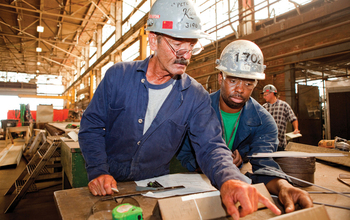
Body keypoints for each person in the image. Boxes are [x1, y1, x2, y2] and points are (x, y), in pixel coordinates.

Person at [79, 0, 285, 219]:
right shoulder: (117, 77)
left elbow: (211, 146)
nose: (185, 55)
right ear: (152, 40)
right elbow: (91, 126)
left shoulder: (195, 96)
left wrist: (229, 179)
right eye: (178, 45)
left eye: (191, 46)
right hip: (106, 183)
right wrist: (98, 170)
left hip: (153, 188)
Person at [177, 39, 313, 214]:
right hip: (193, 186)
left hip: (235, 188)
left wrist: (283, 186)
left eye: (248, 83)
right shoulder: (197, 108)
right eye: (233, 81)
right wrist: (214, 163)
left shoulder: (264, 123)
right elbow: (182, 154)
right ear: (220, 77)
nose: (240, 89)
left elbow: (264, 166)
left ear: (255, 85)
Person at [262, 84, 300, 151]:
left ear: (272, 93)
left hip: (280, 143)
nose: (264, 97)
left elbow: (293, 118)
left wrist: (296, 129)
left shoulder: (283, 105)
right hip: (266, 143)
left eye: (265, 95)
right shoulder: (263, 108)